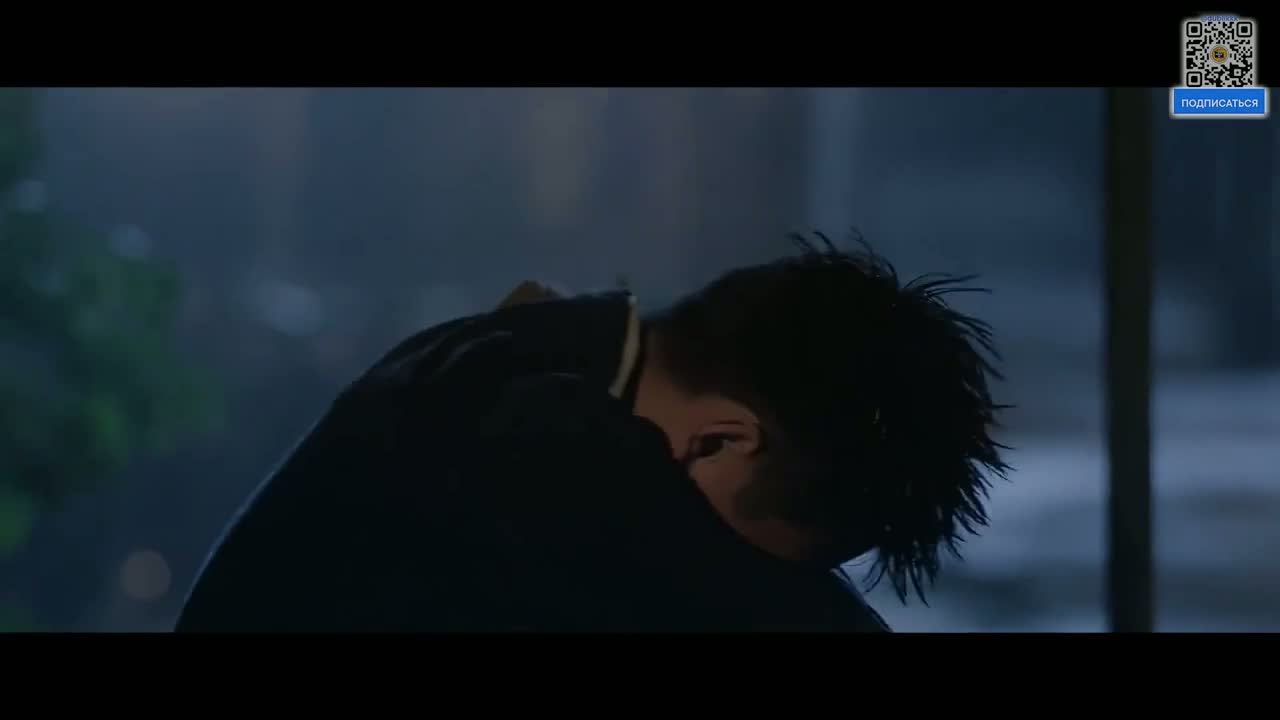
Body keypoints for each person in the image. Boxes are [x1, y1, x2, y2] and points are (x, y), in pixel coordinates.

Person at [174, 233, 1008, 632]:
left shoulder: (526, 365)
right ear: (720, 441)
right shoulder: (527, 425)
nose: (722, 568)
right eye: (744, 551)